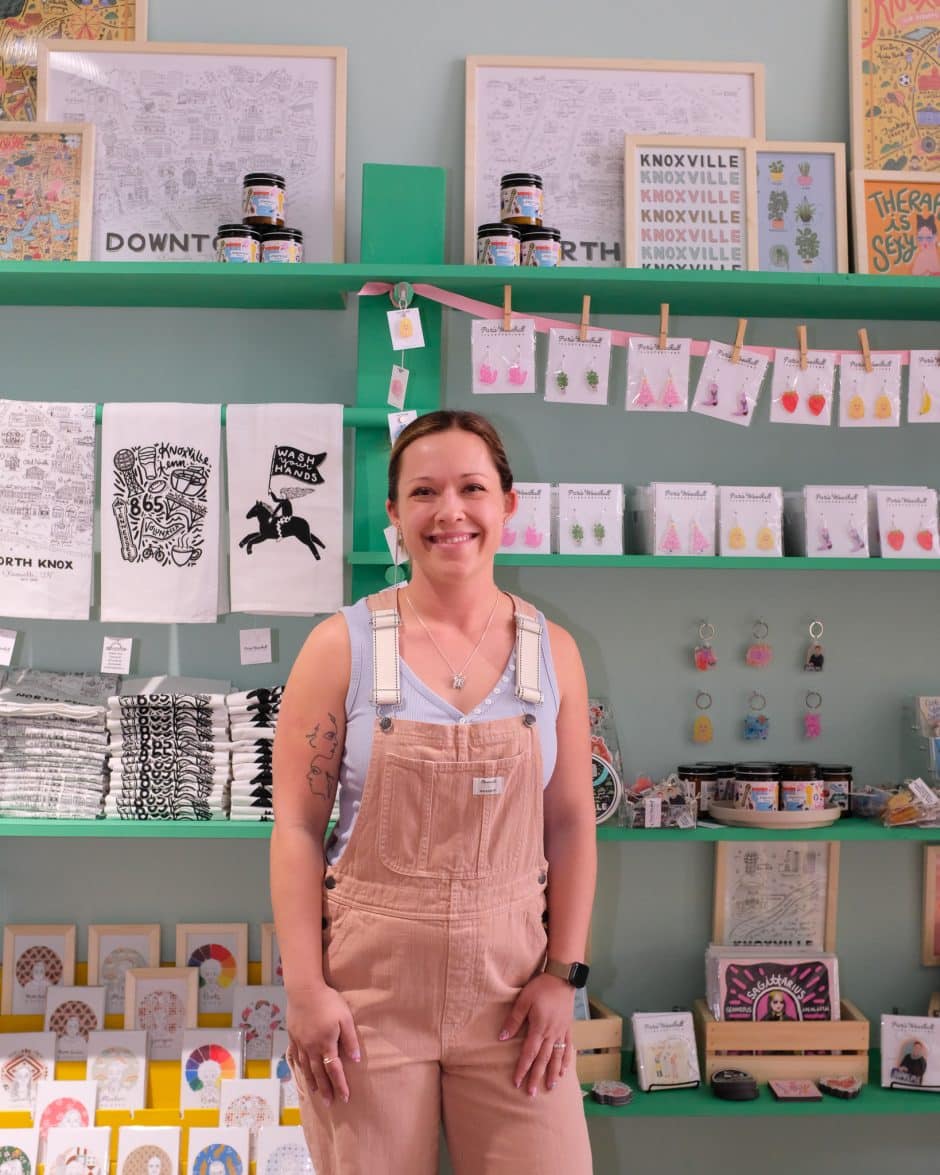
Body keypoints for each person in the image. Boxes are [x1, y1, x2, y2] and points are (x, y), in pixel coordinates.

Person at [272, 410, 596, 1174]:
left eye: (472, 488)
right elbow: (295, 827)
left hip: (515, 1000)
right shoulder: (339, 646)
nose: (450, 511)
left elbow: (574, 823)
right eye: (423, 491)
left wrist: (564, 975)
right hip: (368, 1007)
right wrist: (305, 988)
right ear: (394, 513)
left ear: (508, 504)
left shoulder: (554, 653)